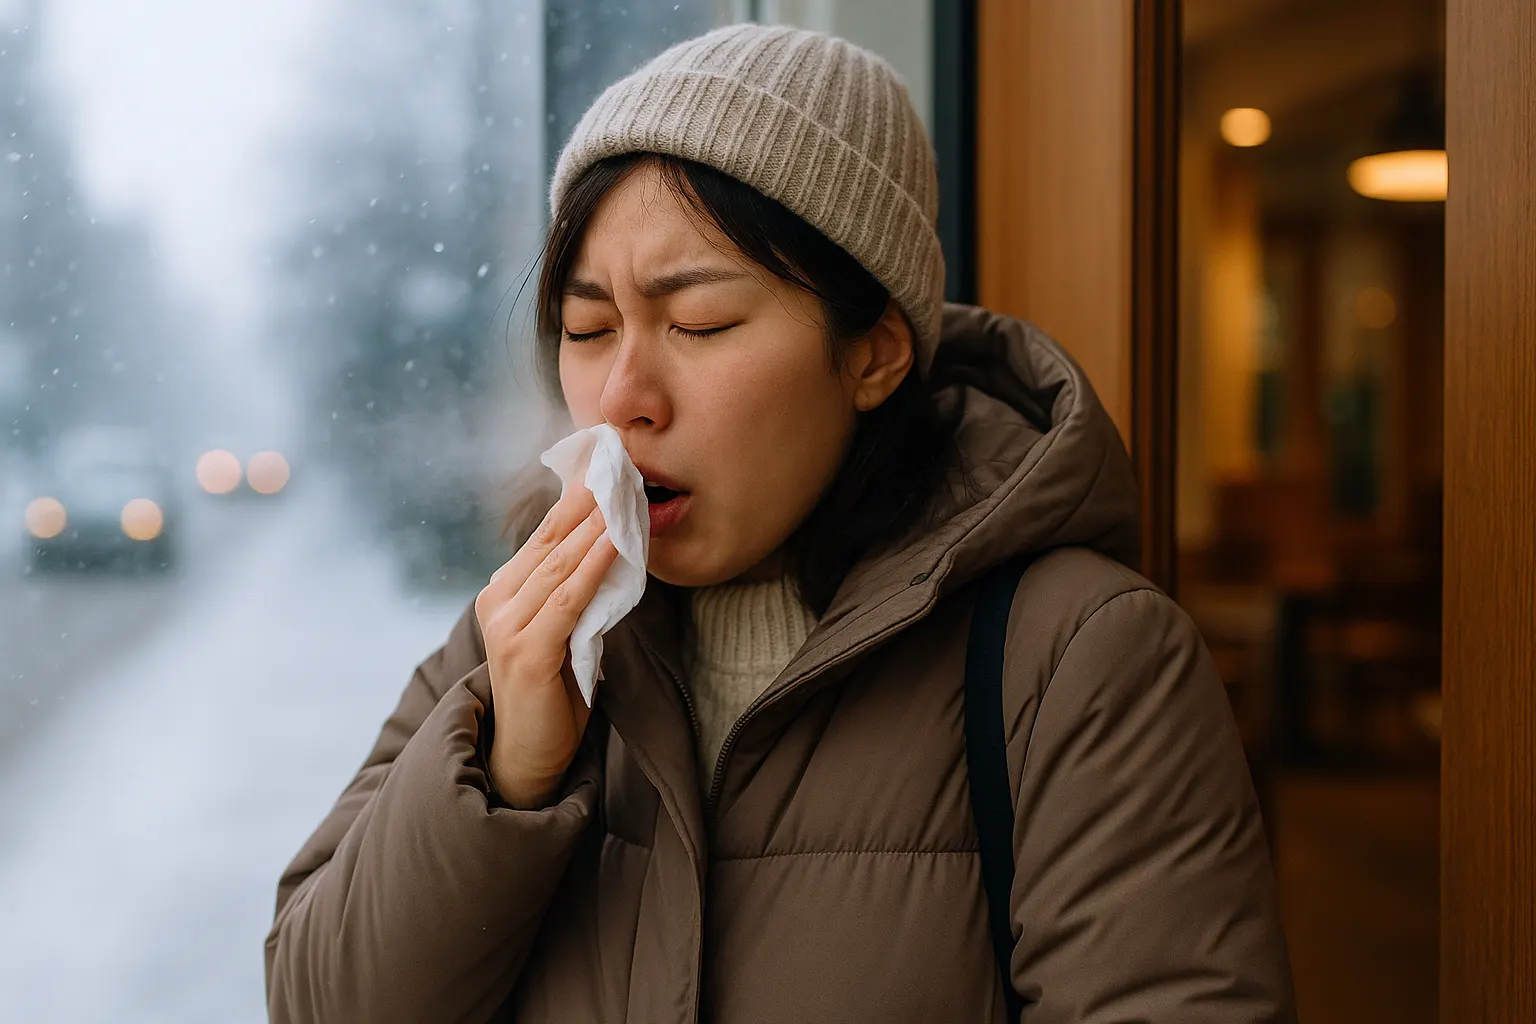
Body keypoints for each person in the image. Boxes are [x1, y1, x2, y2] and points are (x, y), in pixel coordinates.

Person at [265, 23, 1295, 1023]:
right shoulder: (526, 643)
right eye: (588, 328)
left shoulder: (1080, 660)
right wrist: (506, 776)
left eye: (700, 323)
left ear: (874, 354)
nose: (624, 395)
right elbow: (317, 1002)